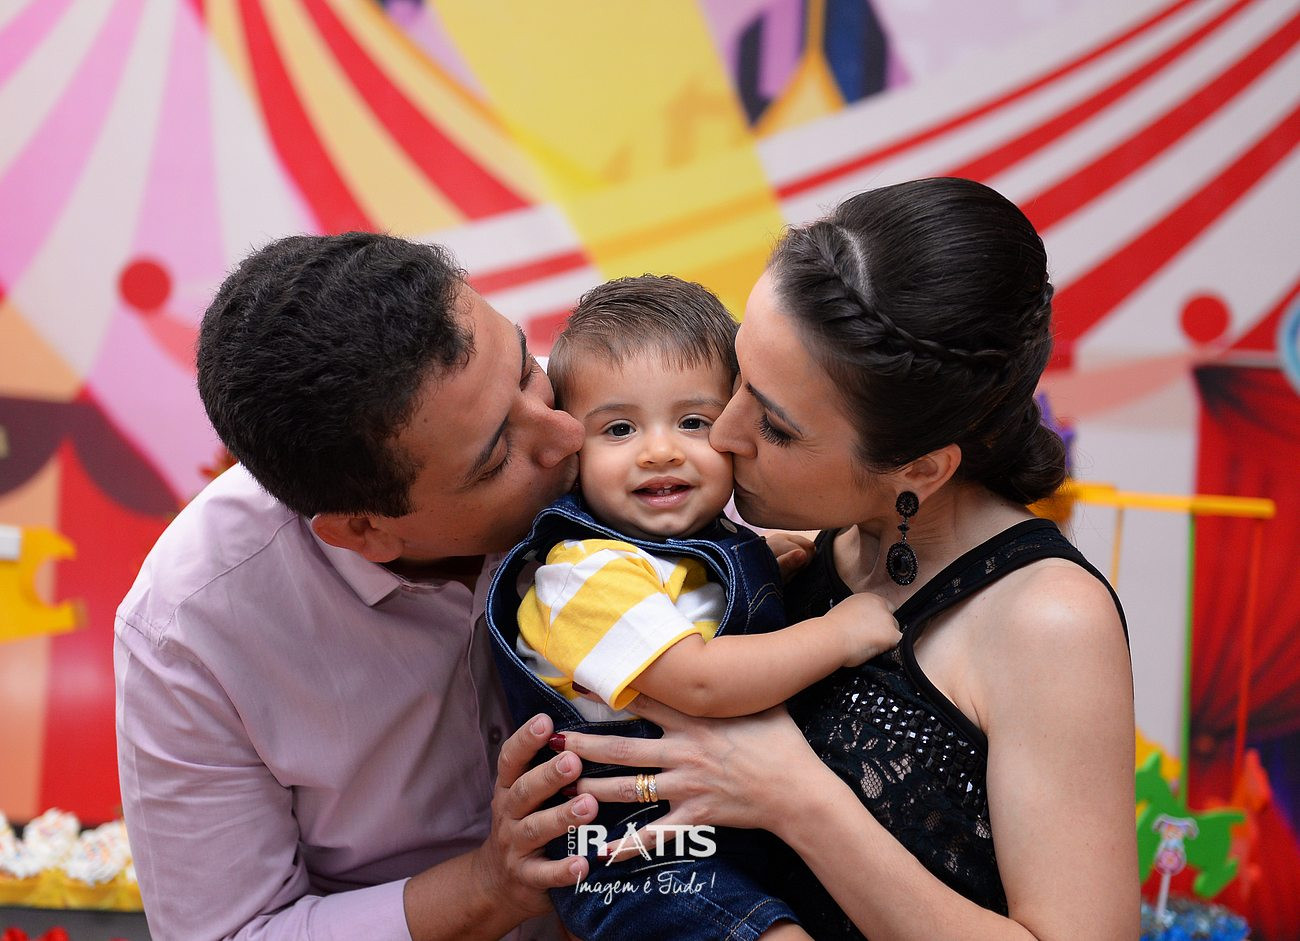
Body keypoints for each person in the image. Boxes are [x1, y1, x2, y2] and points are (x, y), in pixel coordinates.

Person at [552, 178, 1141, 939]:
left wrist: (797, 798)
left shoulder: (1048, 621)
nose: (724, 434)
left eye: (776, 425)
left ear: (918, 469)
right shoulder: (794, 551)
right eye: (737, 378)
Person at [115, 233, 597, 941]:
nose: (567, 434)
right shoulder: (191, 627)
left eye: (527, 368)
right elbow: (232, 934)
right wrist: (488, 888)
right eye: (498, 456)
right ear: (363, 530)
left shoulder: (620, 409)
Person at [483, 276, 897, 940]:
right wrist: (837, 633)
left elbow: (693, 603)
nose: (661, 450)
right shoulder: (580, 576)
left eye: (693, 422)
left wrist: (762, 569)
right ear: (572, 452)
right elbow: (701, 680)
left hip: (726, 831)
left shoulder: (698, 548)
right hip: (645, 860)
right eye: (620, 428)